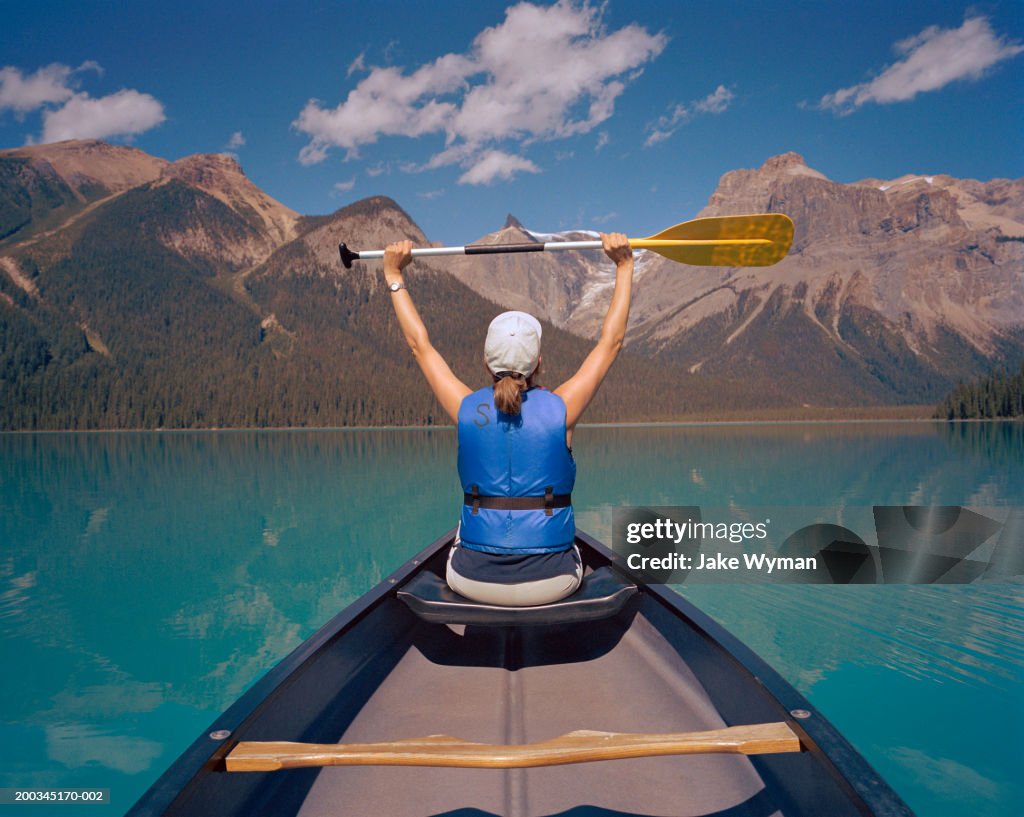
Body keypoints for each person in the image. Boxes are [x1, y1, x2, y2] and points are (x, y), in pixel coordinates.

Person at [382, 232, 634, 606]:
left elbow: (421, 346)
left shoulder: (465, 407)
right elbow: (609, 343)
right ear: (538, 364)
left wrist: (393, 275)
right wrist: (625, 265)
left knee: (464, 527)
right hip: (553, 581)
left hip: (472, 579)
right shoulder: (562, 408)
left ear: (486, 364)